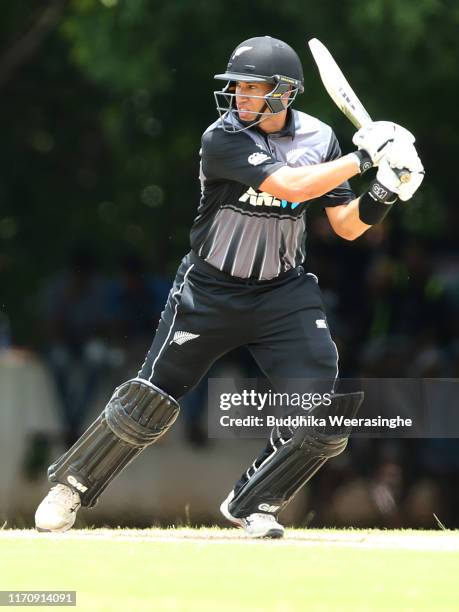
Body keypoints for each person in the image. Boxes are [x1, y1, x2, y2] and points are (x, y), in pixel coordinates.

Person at [35, 36, 424, 538]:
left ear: (284, 93)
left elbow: (347, 225)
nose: (239, 96)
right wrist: (365, 157)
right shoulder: (223, 139)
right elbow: (290, 186)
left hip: (283, 293)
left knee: (319, 408)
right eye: (236, 86)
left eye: (251, 87)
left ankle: (254, 502)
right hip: (209, 290)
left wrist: (385, 190)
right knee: (150, 398)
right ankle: (70, 486)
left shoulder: (321, 138)